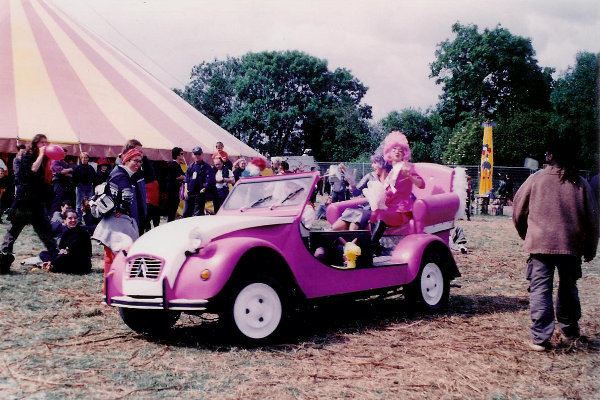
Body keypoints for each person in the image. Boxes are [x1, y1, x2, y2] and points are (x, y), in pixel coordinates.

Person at [512, 139, 599, 351]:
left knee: (540, 289)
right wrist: (590, 248)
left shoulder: (536, 180)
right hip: (571, 245)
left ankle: (540, 338)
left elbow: (518, 211)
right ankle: (570, 332)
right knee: (569, 289)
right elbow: (593, 220)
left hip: (541, 245)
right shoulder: (580, 183)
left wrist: (528, 235)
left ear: (550, 156)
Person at [0, 134, 58, 274]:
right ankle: (3, 257)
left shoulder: (44, 158)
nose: (44, 145)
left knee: (45, 230)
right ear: (35, 143)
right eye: (41, 142)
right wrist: (42, 154)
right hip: (24, 199)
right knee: (13, 230)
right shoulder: (27, 155)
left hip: (36, 200)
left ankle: (56, 258)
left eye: (46, 142)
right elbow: (33, 169)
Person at [93, 148, 147, 278]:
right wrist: (122, 210)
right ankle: (116, 290)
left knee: (110, 260)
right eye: (135, 161)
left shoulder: (117, 172)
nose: (138, 164)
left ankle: (108, 293)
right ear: (127, 160)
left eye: (140, 162)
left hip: (110, 221)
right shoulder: (123, 175)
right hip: (117, 222)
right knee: (124, 257)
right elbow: (127, 196)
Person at [370, 131, 425, 251]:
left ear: (404, 153)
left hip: (402, 210)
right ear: (388, 152)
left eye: (400, 150)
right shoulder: (391, 171)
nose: (397, 151)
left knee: (380, 214)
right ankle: (376, 245)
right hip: (390, 207)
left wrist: (409, 176)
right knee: (374, 214)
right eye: (394, 149)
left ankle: (372, 246)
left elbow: (422, 184)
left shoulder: (407, 166)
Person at [332, 155, 389, 231]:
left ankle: (352, 241)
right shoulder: (369, 176)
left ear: (383, 163)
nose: (372, 166)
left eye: (375, 163)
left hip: (375, 210)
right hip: (365, 207)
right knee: (337, 226)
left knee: (354, 224)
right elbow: (356, 193)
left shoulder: (391, 178)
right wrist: (352, 184)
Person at [40, 209, 92, 274]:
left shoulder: (82, 233)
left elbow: (73, 252)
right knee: (43, 254)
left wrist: (52, 261)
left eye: (75, 218)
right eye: (70, 218)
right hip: (67, 257)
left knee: (63, 257)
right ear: (64, 220)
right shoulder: (66, 231)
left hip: (80, 262)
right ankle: (51, 265)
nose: (73, 220)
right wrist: (61, 250)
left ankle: (51, 265)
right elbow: (61, 247)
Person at [183, 146, 215, 217]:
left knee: (197, 214)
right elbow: (186, 179)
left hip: (199, 194)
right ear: (192, 155)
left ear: (202, 155)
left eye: (199, 154)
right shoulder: (190, 166)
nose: (197, 156)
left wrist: (204, 188)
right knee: (186, 213)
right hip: (189, 193)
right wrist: (185, 190)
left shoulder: (207, 167)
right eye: (195, 154)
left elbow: (210, 180)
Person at [72, 152, 96, 223]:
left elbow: (94, 177)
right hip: (80, 187)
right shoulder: (77, 168)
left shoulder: (90, 168)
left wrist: (92, 184)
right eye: (83, 158)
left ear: (88, 159)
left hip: (89, 187)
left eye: (86, 158)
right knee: (79, 205)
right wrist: (78, 185)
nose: (85, 159)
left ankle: (88, 220)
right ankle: (78, 220)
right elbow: (73, 179)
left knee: (89, 204)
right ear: (80, 158)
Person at [49, 149, 74, 215]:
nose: (64, 155)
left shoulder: (65, 163)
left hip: (65, 183)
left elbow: (69, 174)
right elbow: (62, 171)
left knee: (65, 202)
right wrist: (70, 169)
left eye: (65, 153)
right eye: (63, 153)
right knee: (57, 201)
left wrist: (66, 172)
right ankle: (53, 218)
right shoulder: (55, 161)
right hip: (58, 183)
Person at [166, 147, 186, 222]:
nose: (183, 155)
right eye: (181, 154)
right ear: (177, 155)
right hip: (172, 189)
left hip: (175, 189)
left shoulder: (177, 164)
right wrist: (184, 177)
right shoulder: (173, 164)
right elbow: (178, 177)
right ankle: (170, 222)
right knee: (172, 207)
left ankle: (171, 220)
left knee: (174, 207)